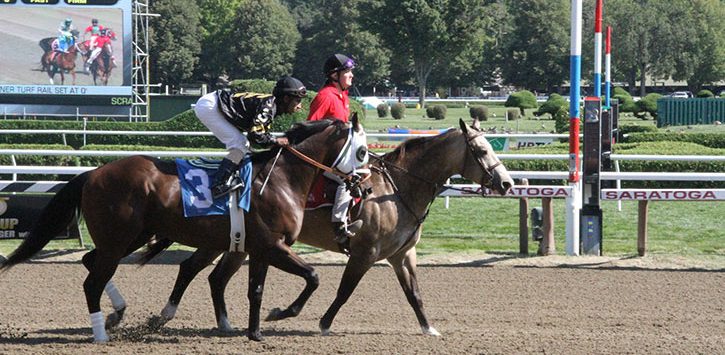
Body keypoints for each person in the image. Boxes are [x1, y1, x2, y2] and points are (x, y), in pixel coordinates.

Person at [195, 76, 307, 198]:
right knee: (240, 144)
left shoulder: (270, 106)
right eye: (298, 101)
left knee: (244, 146)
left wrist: (272, 140)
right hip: (210, 106)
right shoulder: (268, 107)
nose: (299, 106)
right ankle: (218, 184)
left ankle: (231, 176)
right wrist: (276, 140)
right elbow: (256, 136)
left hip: (214, 104)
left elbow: (257, 136)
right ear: (286, 98)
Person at [307, 53, 363, 248]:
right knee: (348, 179)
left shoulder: (343, 96)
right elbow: (311, 127)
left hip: (341, 157)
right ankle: (339, 225)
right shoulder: (325, 96)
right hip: (326, 160)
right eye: (347, 72)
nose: (351, 76)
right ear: (334, 75)